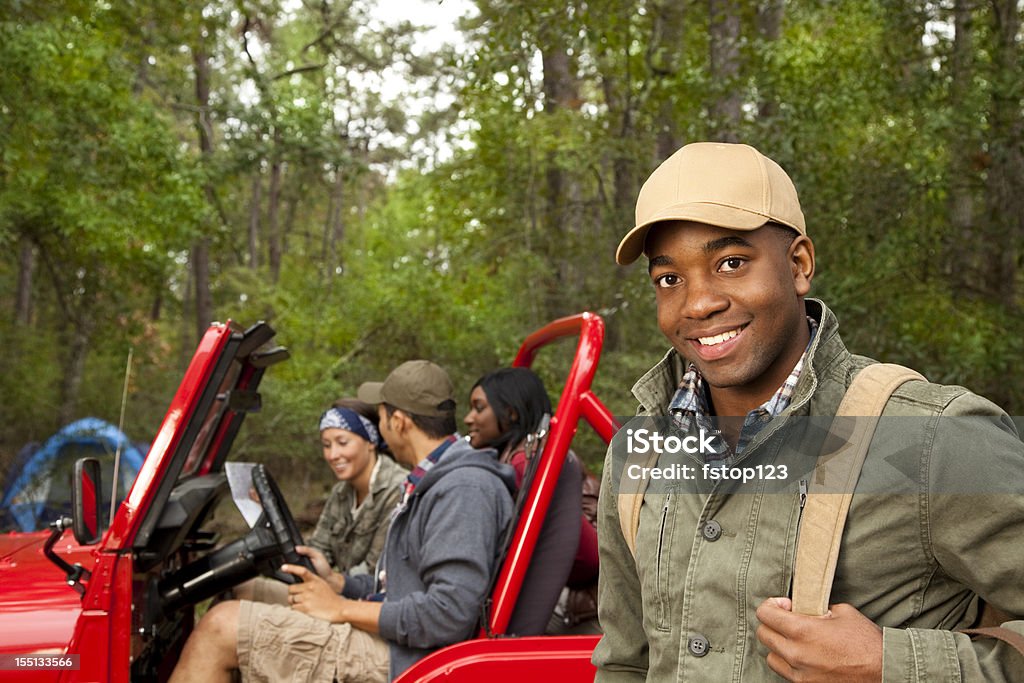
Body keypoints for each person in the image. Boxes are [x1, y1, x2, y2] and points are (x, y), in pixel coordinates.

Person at [592, 141, 1024, 681]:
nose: (698, 303)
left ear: (799, 264)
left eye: (731, 262)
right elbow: (624, 664)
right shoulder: (638, 455)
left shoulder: (931, 440)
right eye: (669, 279)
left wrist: (892, 665)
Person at [170, 360, 515, 683]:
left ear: (399, 422)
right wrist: (340, 585)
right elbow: (401, 586)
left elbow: (447, 614)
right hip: (401, 639)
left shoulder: (464, 488)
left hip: (412, 660)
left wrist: (341, 608)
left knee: (219, 628)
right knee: (242, 590)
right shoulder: (434, 480)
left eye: (381, 417)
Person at [464, 367, 601, 633]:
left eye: (478, 408)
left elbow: (591, 558)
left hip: (589, 599)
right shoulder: (510, 456)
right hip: (568, 587)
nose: (469, 418)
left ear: (511, 413)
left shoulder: (527, 462)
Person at [234, 397, 407, 606]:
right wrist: (268, 517)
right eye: (326, 445)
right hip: (333, 594)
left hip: (364, 607)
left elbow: (376, 575)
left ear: (370, 442)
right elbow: (317, 551)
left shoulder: (398, 491)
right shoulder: (340, 493)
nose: (333, 455)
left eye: (342, 443)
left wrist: (332, 582)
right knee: (239, 589)